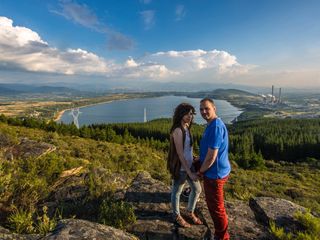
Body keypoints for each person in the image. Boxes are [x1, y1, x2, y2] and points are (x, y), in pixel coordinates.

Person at [197, 98, 231, 240]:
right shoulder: (211, 124)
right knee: (216, 206)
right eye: (201, 109)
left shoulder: (216, 126)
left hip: (214, 174)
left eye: (207, 108)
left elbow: (211, 157)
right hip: (215, 171)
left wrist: (200, 172)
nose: (204, 112)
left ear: (214, 108)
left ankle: (222, 236)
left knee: (216, 208)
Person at [167, 103, 203, 228]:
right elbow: (180, 154)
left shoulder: (187, 127)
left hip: (189, 165)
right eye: (187, 114)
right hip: (182, 168)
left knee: (197, 189)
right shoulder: (177, 130)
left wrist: (194, 158)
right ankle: (176, 215)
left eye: (191, 114)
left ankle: (189, 211)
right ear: (181, 114)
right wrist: (190, 172)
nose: (190, 116)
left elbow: (187, 150)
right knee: (176, 192)